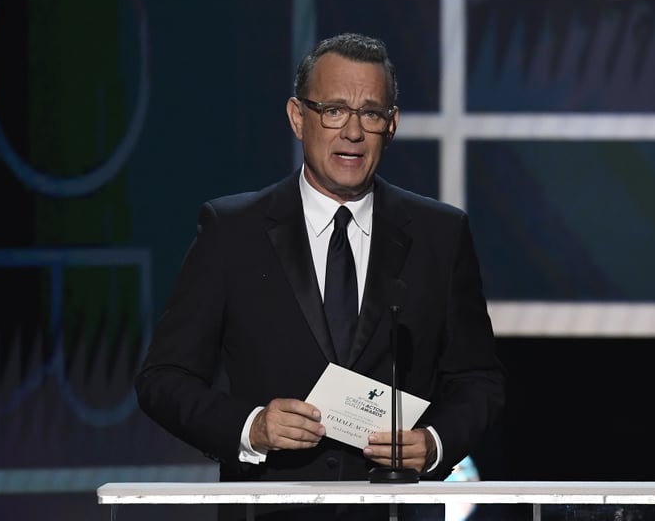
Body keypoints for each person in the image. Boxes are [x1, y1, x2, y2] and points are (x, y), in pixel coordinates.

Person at [135, 32, 505, 520]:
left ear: (390, 126)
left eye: (370, 114)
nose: (352, 132)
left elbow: (478, 380)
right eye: (333, 110)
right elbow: (164, 379)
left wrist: (434, 445)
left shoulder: (441, 234)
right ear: (297, 118)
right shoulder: (232, 231)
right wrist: (252, 427)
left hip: (395, 510)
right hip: (270, 509)